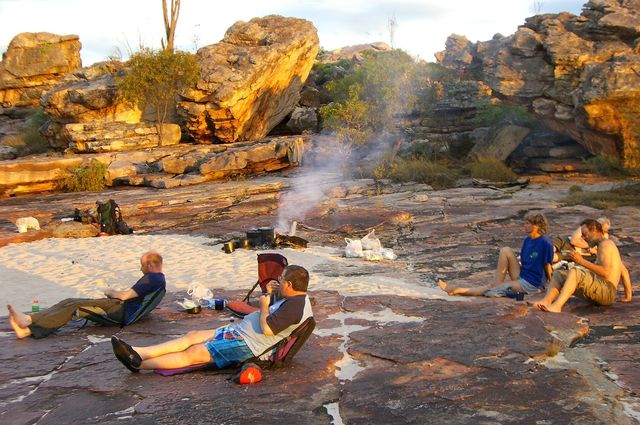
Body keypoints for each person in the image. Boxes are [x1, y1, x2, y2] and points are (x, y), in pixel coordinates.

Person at [111, 264, 313, 373]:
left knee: (195, 352)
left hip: (248, 345)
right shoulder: (294, 297)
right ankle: (139, 352)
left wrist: (263, 307)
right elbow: (275, 309)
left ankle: (138, 364)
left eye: (281, 279)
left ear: (289, 284)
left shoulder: (296, 307)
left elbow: (268, 329)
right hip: (241, 332)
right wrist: (271, 294)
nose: (278, 281)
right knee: (193, 335)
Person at [7, 251, 166, 339]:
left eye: (142, 265)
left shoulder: (151, 279)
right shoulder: (158, 279)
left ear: (151, 264)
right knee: (70, 300)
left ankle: (29, 330)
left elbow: (124, 296)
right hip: (120, 307)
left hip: (120, 311)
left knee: (76, 308)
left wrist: (109, 291)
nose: (140, 269)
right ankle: (28, 319)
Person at [439, 213, 554, 297]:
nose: (524, 225)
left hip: (532, 284)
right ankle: (497, 283)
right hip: (523, 275)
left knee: (491, 289)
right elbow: (524, 261)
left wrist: (550, 287)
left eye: (527, 223)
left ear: (536, 226)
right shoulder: (527, 240)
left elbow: (548, 266)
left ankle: (457, 290)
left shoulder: (545, 243)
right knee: (506, 250)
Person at [535, 219, 632, 313]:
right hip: (602, 290)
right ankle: (546, 301)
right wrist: (628, 296)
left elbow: (606, 273)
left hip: (606, 291)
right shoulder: (606, 245)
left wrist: (581, 261)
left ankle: (557, 306)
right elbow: (624, 271)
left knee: (575, 271)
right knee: (559, 274)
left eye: (585, 235)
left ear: (594, 230)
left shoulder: (605, 245)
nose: (583, 238)